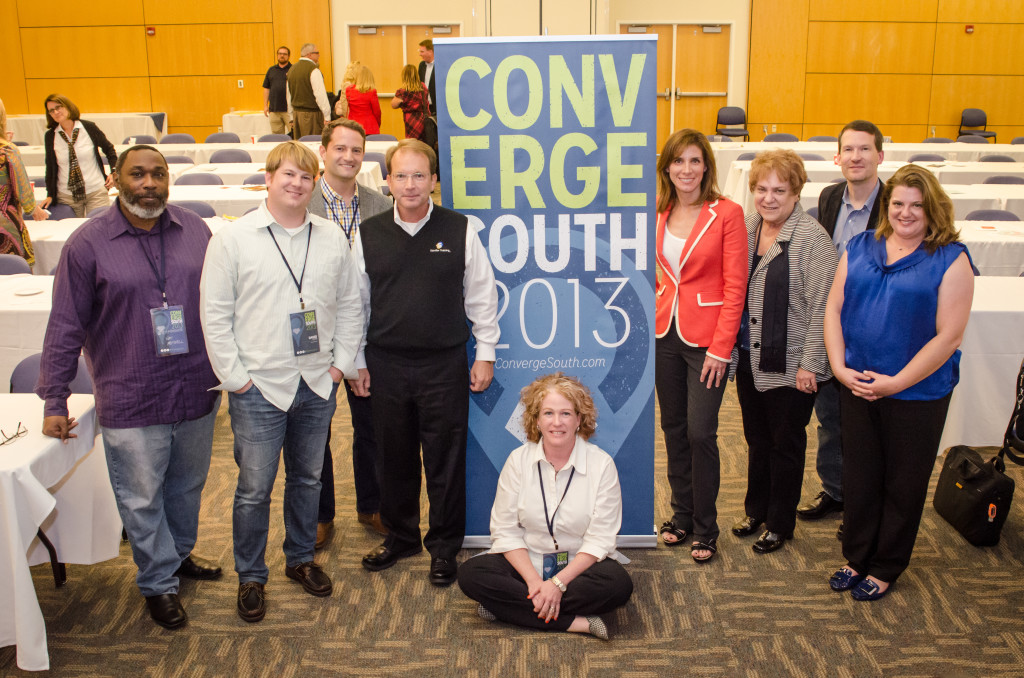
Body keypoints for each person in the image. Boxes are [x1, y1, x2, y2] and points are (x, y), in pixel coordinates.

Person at [36, 145, 222, 630]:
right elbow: (64, 326)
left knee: (187, 486)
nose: (149, 183)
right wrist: (55, 398)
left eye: (158, 174)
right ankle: (158, 582)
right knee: (140, 497)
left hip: (197, 387)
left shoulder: (195, 231)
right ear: (116, 180)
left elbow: (222, 305)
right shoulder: (87, 244)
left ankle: (178, 554)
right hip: (132, 391)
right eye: (137, 174)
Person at [199, 141, 364, 622]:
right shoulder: (232, 239)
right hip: (258, 388)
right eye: (288, 174)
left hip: (316, 382)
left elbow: (350, 307)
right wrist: (237, 380)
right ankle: (251, 575)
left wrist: (339, 367)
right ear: (268, 178)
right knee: (254, 489)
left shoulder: (331, 237)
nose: (297, 183)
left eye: (306, 176)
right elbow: (215, 316)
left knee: (308, 478)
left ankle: (300, 559)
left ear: (314, 184)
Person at [825, 164, 973, 601]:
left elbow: (949, 336)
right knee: (860, 475)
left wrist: (896, 383)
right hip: (857, 384)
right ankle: (856, 557)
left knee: (903, 483)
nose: (906, 213)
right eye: (898, 203)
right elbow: (834, 309)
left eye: (917, 205)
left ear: (933, 209)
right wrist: (838, 368)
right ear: (886, 205)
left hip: (917, 393)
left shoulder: (951, 258)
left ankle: (886, 565)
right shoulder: (860, 245)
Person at [355, 139, 499, 587]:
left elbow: (481, 296)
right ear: (387, 181)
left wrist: (486, 352)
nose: (411, 184)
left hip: (444, 364)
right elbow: (356, 304)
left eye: (420, 175)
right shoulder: (368, 233)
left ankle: (443, 547)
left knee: (445, 459)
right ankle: (400, 537)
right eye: (401, 175)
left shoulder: (460, 229)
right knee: (392, 456)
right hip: (386, 364)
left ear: (434, 180)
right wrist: (356, 360)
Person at [457, 373, 632, 639]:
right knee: (471, 575)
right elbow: (505, 530)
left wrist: (558, 583)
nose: (557, 422)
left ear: (579, 419)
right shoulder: (518, 461)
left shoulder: (602, 465)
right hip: (527, 564)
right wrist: (534, 582)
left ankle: (507, 609)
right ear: (536, 420)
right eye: (548, 413)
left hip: (577, 567)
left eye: (566, 413)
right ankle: (575, 622)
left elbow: (600, 539)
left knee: (618, 586)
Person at [731, 149, 838, 554]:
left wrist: (811, 364)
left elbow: (823, 308)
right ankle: (755, 511)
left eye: (779, 190)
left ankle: (779, 523)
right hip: (750, 357)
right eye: (761, 189)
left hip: (793, 366)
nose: (769, 198)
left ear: (796, 193)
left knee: (785, 446)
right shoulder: (747, 225)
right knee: (756, 440)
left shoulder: (814, 240)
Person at [654, 129, 747, 563]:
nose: (686, 169)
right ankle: (682, 514)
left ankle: (706, 527)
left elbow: (735, 286)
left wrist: (722, 348)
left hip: (708, 340)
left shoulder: (726, 213)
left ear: (706, 166)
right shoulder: (658, 211)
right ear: (667, 167)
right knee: (673, 428)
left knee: (701, 431)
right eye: (678, 161)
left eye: (694, 160)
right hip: (664, 334)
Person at [797, 120, 886, 536]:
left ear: (879, 156)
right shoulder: (830, 197)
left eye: (864, 149)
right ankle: (835, 490)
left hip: (873, 323)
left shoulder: (894, 202)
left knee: (866, 424)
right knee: (830, 416)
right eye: (848, 149)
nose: (856, 157)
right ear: (837, 157)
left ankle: (865, 505)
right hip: (830, 320)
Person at [308, 119, 393, 546]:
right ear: (323, 152)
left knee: (372, 426)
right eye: (340, 148)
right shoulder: (300, 202)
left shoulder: (381, 204)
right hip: (313, 334)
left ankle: (372, 506)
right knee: (314, 430)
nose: (348, 157)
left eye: (356, 150)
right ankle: (320, 514)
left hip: (369, 332)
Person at [41, 94, 118, 218]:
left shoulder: (89, 128)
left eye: (58, 107)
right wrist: (50, 194)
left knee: (98, 227)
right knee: (72, 229)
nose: (55, 112)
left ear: (68, 106)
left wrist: (114, 172)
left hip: (95, 191)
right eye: (51, 110)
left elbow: (110, 151)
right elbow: (50, 167)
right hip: (67, 195)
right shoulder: (51, 136)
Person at [0, 98, 45, 266]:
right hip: (6, 222)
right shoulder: (7, 150)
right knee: (14, 269)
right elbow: (21, 183)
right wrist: (33, 209)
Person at [287, 43, 331, 139]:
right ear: (310, 55)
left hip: (296, 114)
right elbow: (320, 95)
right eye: (317, 53)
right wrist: (327, 116)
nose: (319, 55)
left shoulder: (292, 69)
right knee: (312, 143)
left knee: (300, 144)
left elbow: (289, 95)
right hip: (311, 116)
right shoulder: (313, 70)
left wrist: (291, 116)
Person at [391, 64, 430, 140]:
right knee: (424, 143)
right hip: (424, 121)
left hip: (411, 122)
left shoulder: (403, 92)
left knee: (412, 143)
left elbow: (393, 105)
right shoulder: (423, 87)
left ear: (404, 76)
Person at [344, 65, 382, 136]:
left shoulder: (348, 90)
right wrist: (377, 124)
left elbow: (346, 108)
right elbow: (377, 112)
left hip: (353, 126)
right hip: (370, 127)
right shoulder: (372, 91)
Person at [263, 46, 292, 135]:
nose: (282, 56)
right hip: (274, 110)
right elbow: (266, 88)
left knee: (294, 134)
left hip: (289, 110)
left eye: (284, 54)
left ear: (288, 56)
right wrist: (265, 105)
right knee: (277, 137)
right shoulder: (271, 70)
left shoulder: (293, 69)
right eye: (280, 54)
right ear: (277, 55)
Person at [418, 39, 436, 111]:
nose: (420, 54)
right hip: (425, 107)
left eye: (422, 52)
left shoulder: (440, 65)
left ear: (430, 52)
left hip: (437, 106)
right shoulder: (421, 65)